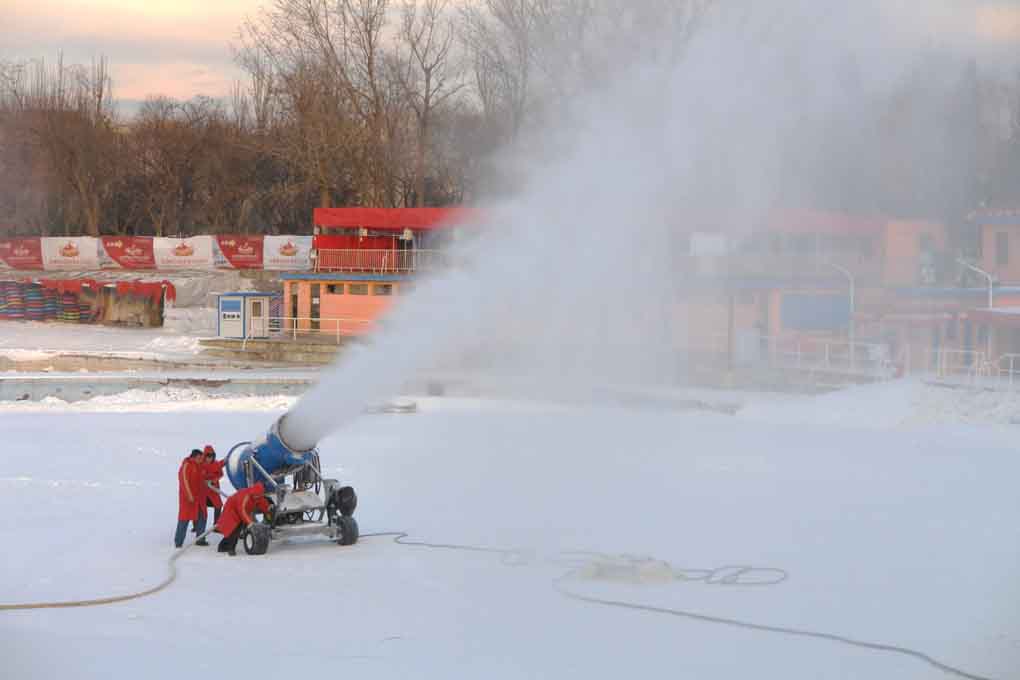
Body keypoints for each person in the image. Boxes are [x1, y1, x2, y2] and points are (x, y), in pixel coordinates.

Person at [215, 482, 270, 556]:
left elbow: (263, 504)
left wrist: (268, 512)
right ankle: (231, 549)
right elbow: (242, 510)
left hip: (241, 512)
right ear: (253, 493)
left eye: (258, 496)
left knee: (236, 530)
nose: (256, 497)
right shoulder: (245, 496)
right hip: (231, 511)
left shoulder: (258, 496)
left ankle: (222, 546)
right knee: (233, 530)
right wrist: (249, 522)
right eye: (255, 496)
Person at [174, 449, 207, 548]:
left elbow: (204, 477)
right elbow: (184, 481)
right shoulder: (186, 466)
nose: (201, 460)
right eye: (199, 458)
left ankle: (200, 539)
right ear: (194, 457)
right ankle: (178, 542)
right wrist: (189, 495)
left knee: (202, 518)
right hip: (188, 500)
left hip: (199, 499)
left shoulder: (200, 466)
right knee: (184, 520)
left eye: (202, 458)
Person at [195, 445, 226, 546]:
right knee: (200, 510)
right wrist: (204, 480)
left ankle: (216, 525)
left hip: (214, 490)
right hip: (203, 491)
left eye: (212, 456)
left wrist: (215, 479)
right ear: (204, 456)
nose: (210, 458)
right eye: (208, 456)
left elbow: (220, 473)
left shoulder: (216, 464)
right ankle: (197, 527)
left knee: (218, 506)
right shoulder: (200, 465)